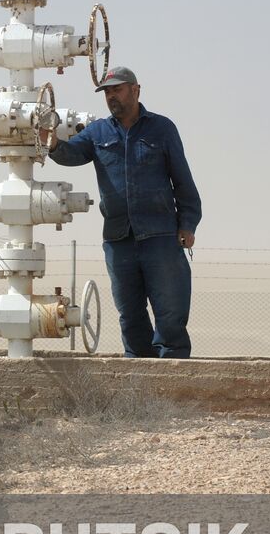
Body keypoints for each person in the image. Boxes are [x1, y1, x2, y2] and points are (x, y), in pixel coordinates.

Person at [48, 66, 201, 358]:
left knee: (170, 313)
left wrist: (188, 223)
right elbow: (71, 154)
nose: (111, 96)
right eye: (107, 92)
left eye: (117, 89)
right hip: (119, 240)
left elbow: (182, 180)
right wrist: (52, 142)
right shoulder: (98, 132)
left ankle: (172, 378)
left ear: (135, 89)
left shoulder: (162, 129)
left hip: (161, 235)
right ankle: (138, 374)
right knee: (130, 314)